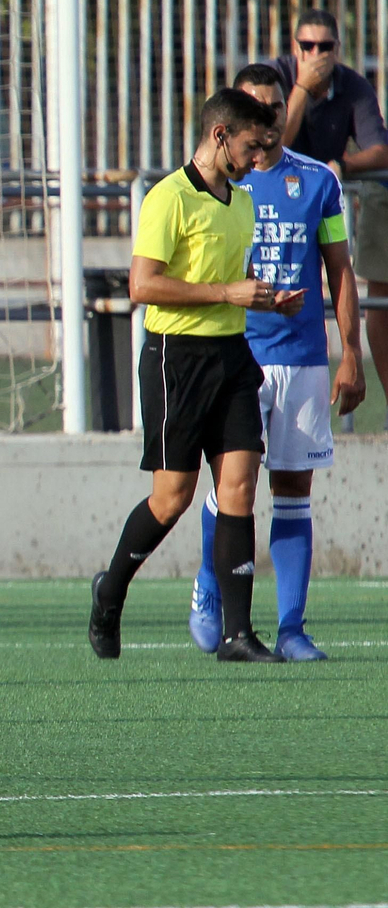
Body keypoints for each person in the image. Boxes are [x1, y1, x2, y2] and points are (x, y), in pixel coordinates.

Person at [88, 88, 295, 664]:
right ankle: (110, 593)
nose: (259, 159)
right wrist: (227, 292)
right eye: (252, 146)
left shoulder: (244, 201)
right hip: (173, 360)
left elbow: (237, 278)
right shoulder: (168, 198)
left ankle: (236, 634)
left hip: (231, 358)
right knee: (172, 497)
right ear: (220, 135)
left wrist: (268, 298)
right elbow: (142, 286)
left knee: (238, 489)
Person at [188, 64, 365, 662]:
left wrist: (351, 355)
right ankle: (211, 587)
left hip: (303, 358)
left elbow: (339, 269)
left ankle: (292, 627)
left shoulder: (318, 182)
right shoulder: (218, 185)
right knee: (232, 485)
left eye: (272, 111)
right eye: (254, 112)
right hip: (236, 353)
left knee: (293, 489)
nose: (265, 126)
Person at [268, 9, 388, 420]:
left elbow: (380, 148)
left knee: (351, 281)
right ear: (294, 49)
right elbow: (270, 143)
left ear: (338, 50)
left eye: (325, 47)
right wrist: (301, 88)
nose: (316, 54)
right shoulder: (276, 79)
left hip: (322, 206)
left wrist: (342, 164)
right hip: (274, 213)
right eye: (307, 46)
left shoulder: (351, 85)